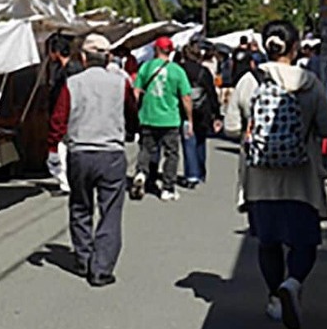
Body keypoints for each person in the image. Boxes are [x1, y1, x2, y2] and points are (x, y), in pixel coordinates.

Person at [225, 21, 327, 329]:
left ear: (264, 46)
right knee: (305, 243)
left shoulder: (250, 81)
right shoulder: (309, 81)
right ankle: (293, 283)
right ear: (295, 46)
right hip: (302, 180)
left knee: (268, 243)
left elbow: (232, 127)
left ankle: (275, 296)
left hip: (260, 179)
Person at [47, 34, 138, 287]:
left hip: (80, 153)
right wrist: (130, 130)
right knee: (110, 211)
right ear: (108, 57)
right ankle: (102, 267)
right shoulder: (120, 83)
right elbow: (132, 112)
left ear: (84, 58)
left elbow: (58, 118)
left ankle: (84, 257)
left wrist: (53, 148)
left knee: (80, 207)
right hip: (111, 152)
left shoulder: (73, 84)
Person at [130, 36, 193, 202]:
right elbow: (186, 97)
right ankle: (167, 188)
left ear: (156, 50)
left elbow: (135, 92)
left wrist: (135, 112)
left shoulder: (146, 67)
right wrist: (189, 118)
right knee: (171, 154)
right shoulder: (177, 70)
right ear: (170, 51)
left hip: (148, 115)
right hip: (170, 118)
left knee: (146, 148)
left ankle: (141, 172)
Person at [180, 40, 222, 189]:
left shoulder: (180, 70)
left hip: (185, 109)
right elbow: (211, 93)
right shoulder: (204, 71)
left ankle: (191, 174)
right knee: (200, 141)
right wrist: (217, 114)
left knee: (188, 141)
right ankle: (201, 171)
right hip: (203, 109)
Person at [46, 33, 85, 194]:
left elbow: (65, 98)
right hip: (76, 115)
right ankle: (71, 181)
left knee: (62, 149)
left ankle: (66, 183)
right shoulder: (77, 68)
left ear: (55, 52)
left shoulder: (66, 72)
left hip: (67, 116)